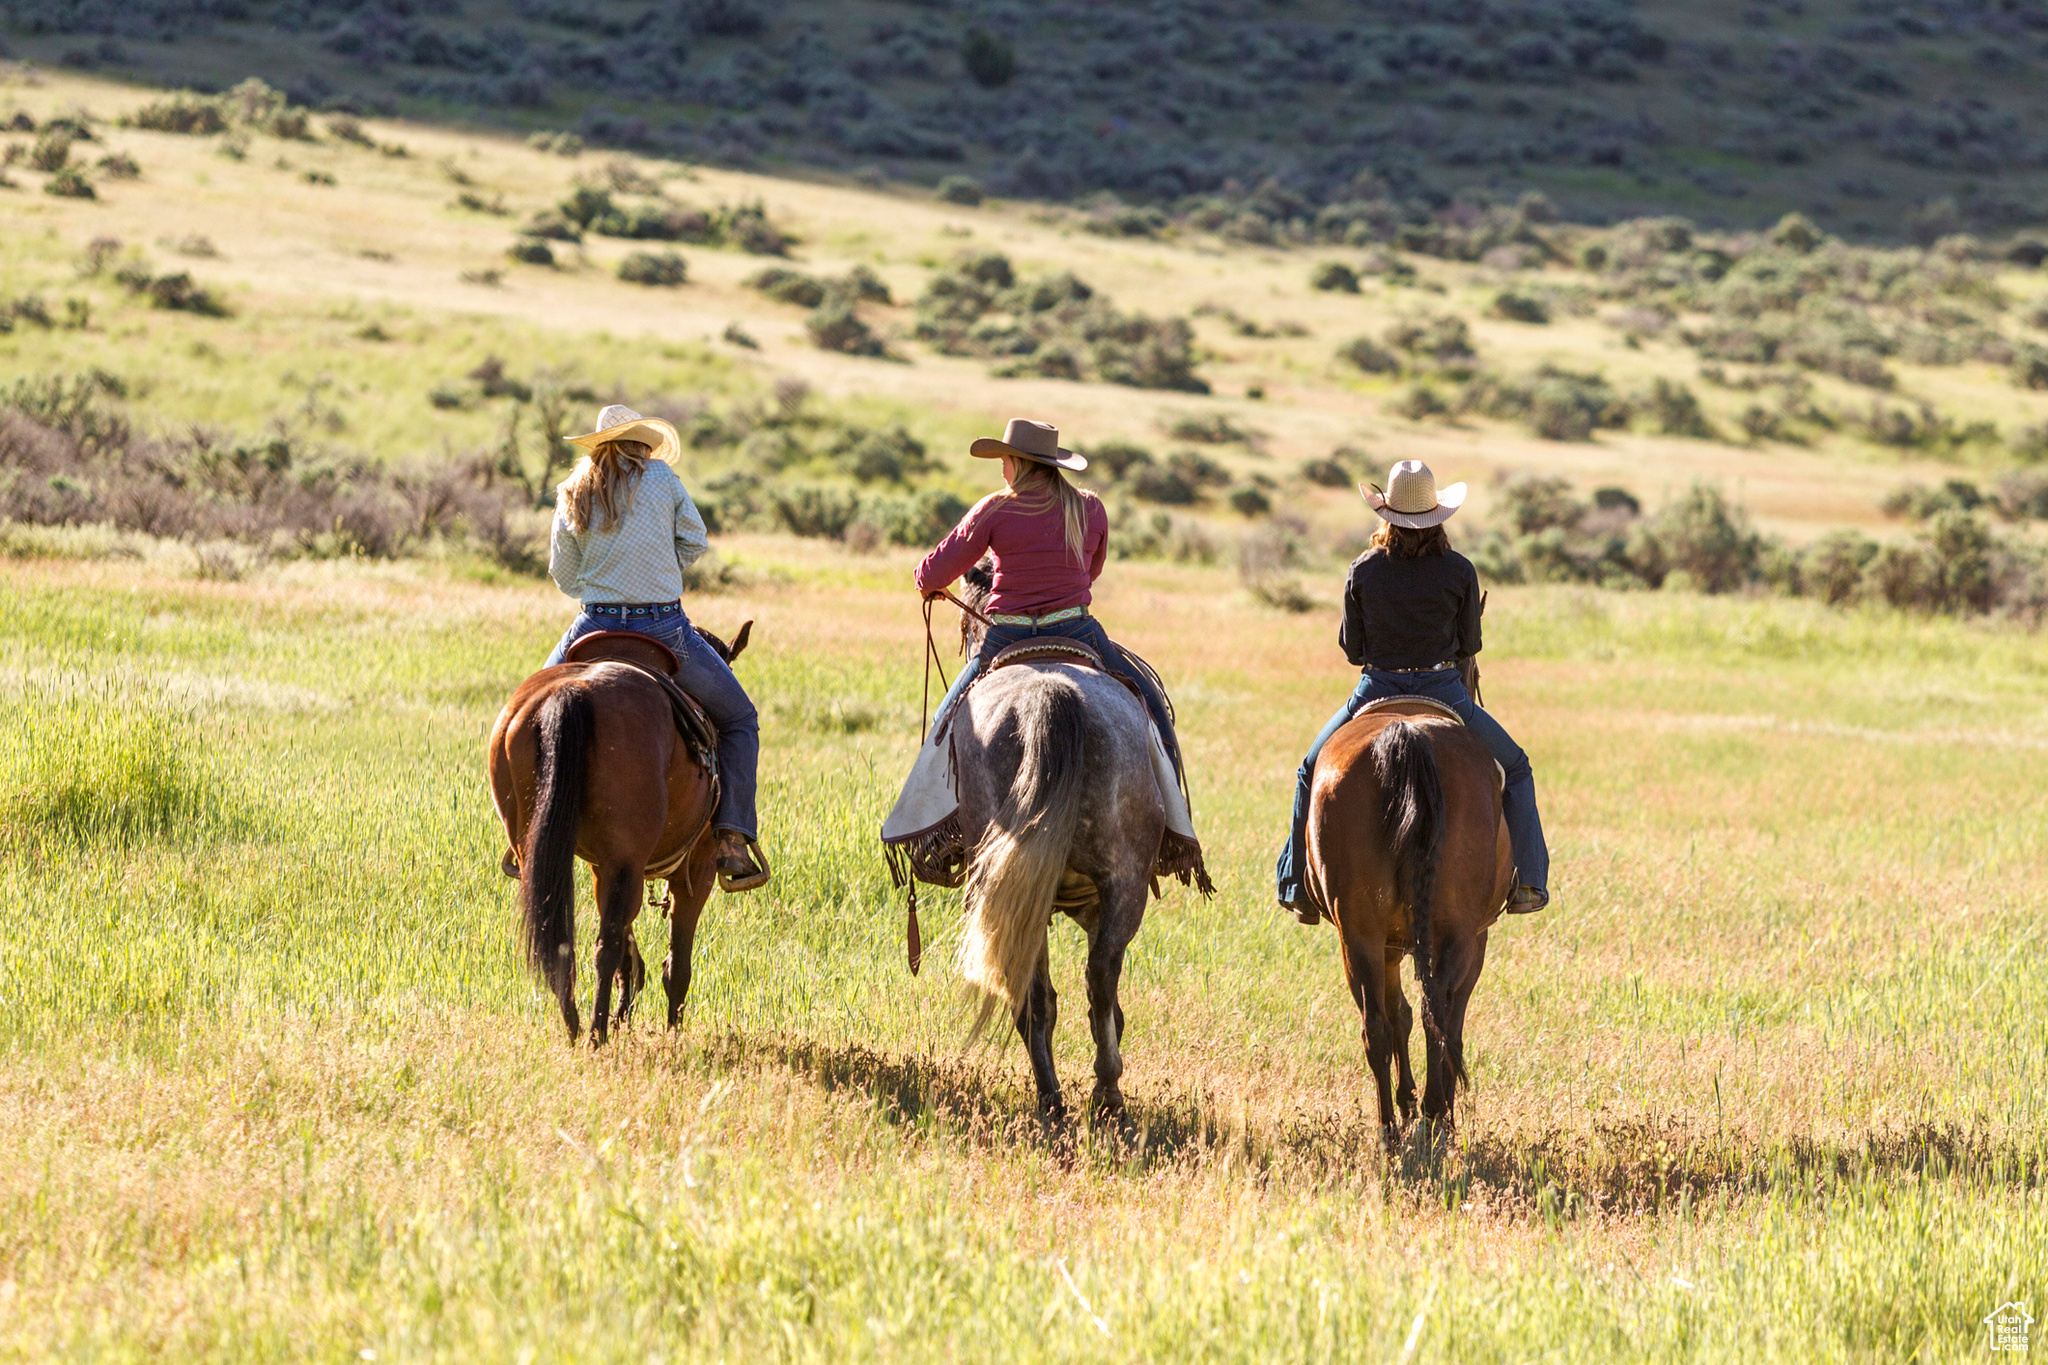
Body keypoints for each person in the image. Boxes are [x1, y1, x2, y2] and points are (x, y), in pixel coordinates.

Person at [1275, 459, 1548, 922]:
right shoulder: (1460, 571)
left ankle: (1296, 882)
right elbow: (1471, 645)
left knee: (1308, 771)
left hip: (1375, 687)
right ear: (1437, 517)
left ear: (1387, 515)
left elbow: (1352, 650)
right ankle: (1528, 881)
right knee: (1517, 768)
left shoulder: (1362, 570)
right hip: (1446, 691)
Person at [543, 403, 768, 892]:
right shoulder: (662, 479)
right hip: (662, 627)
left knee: (533, 709)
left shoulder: (572, 491)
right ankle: (731, 837)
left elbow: (563, 572)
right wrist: (657, 567)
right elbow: (694, 541)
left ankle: (526, 834)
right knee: (739, 719)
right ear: (639, 444)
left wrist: (602, 581)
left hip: (593, 625)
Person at [914, 417, 1183, 775]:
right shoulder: (1089, 509)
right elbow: (1091, 572)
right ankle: (1175, 811)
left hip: (1008, 635)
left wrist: (930, 583)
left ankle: (924, 825)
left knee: (942, 723)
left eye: (1005, 461)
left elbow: (931, 574)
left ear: (1020, 463)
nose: (1002, 470)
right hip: (1076, 631)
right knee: (1152, 708)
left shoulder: (993, 509)